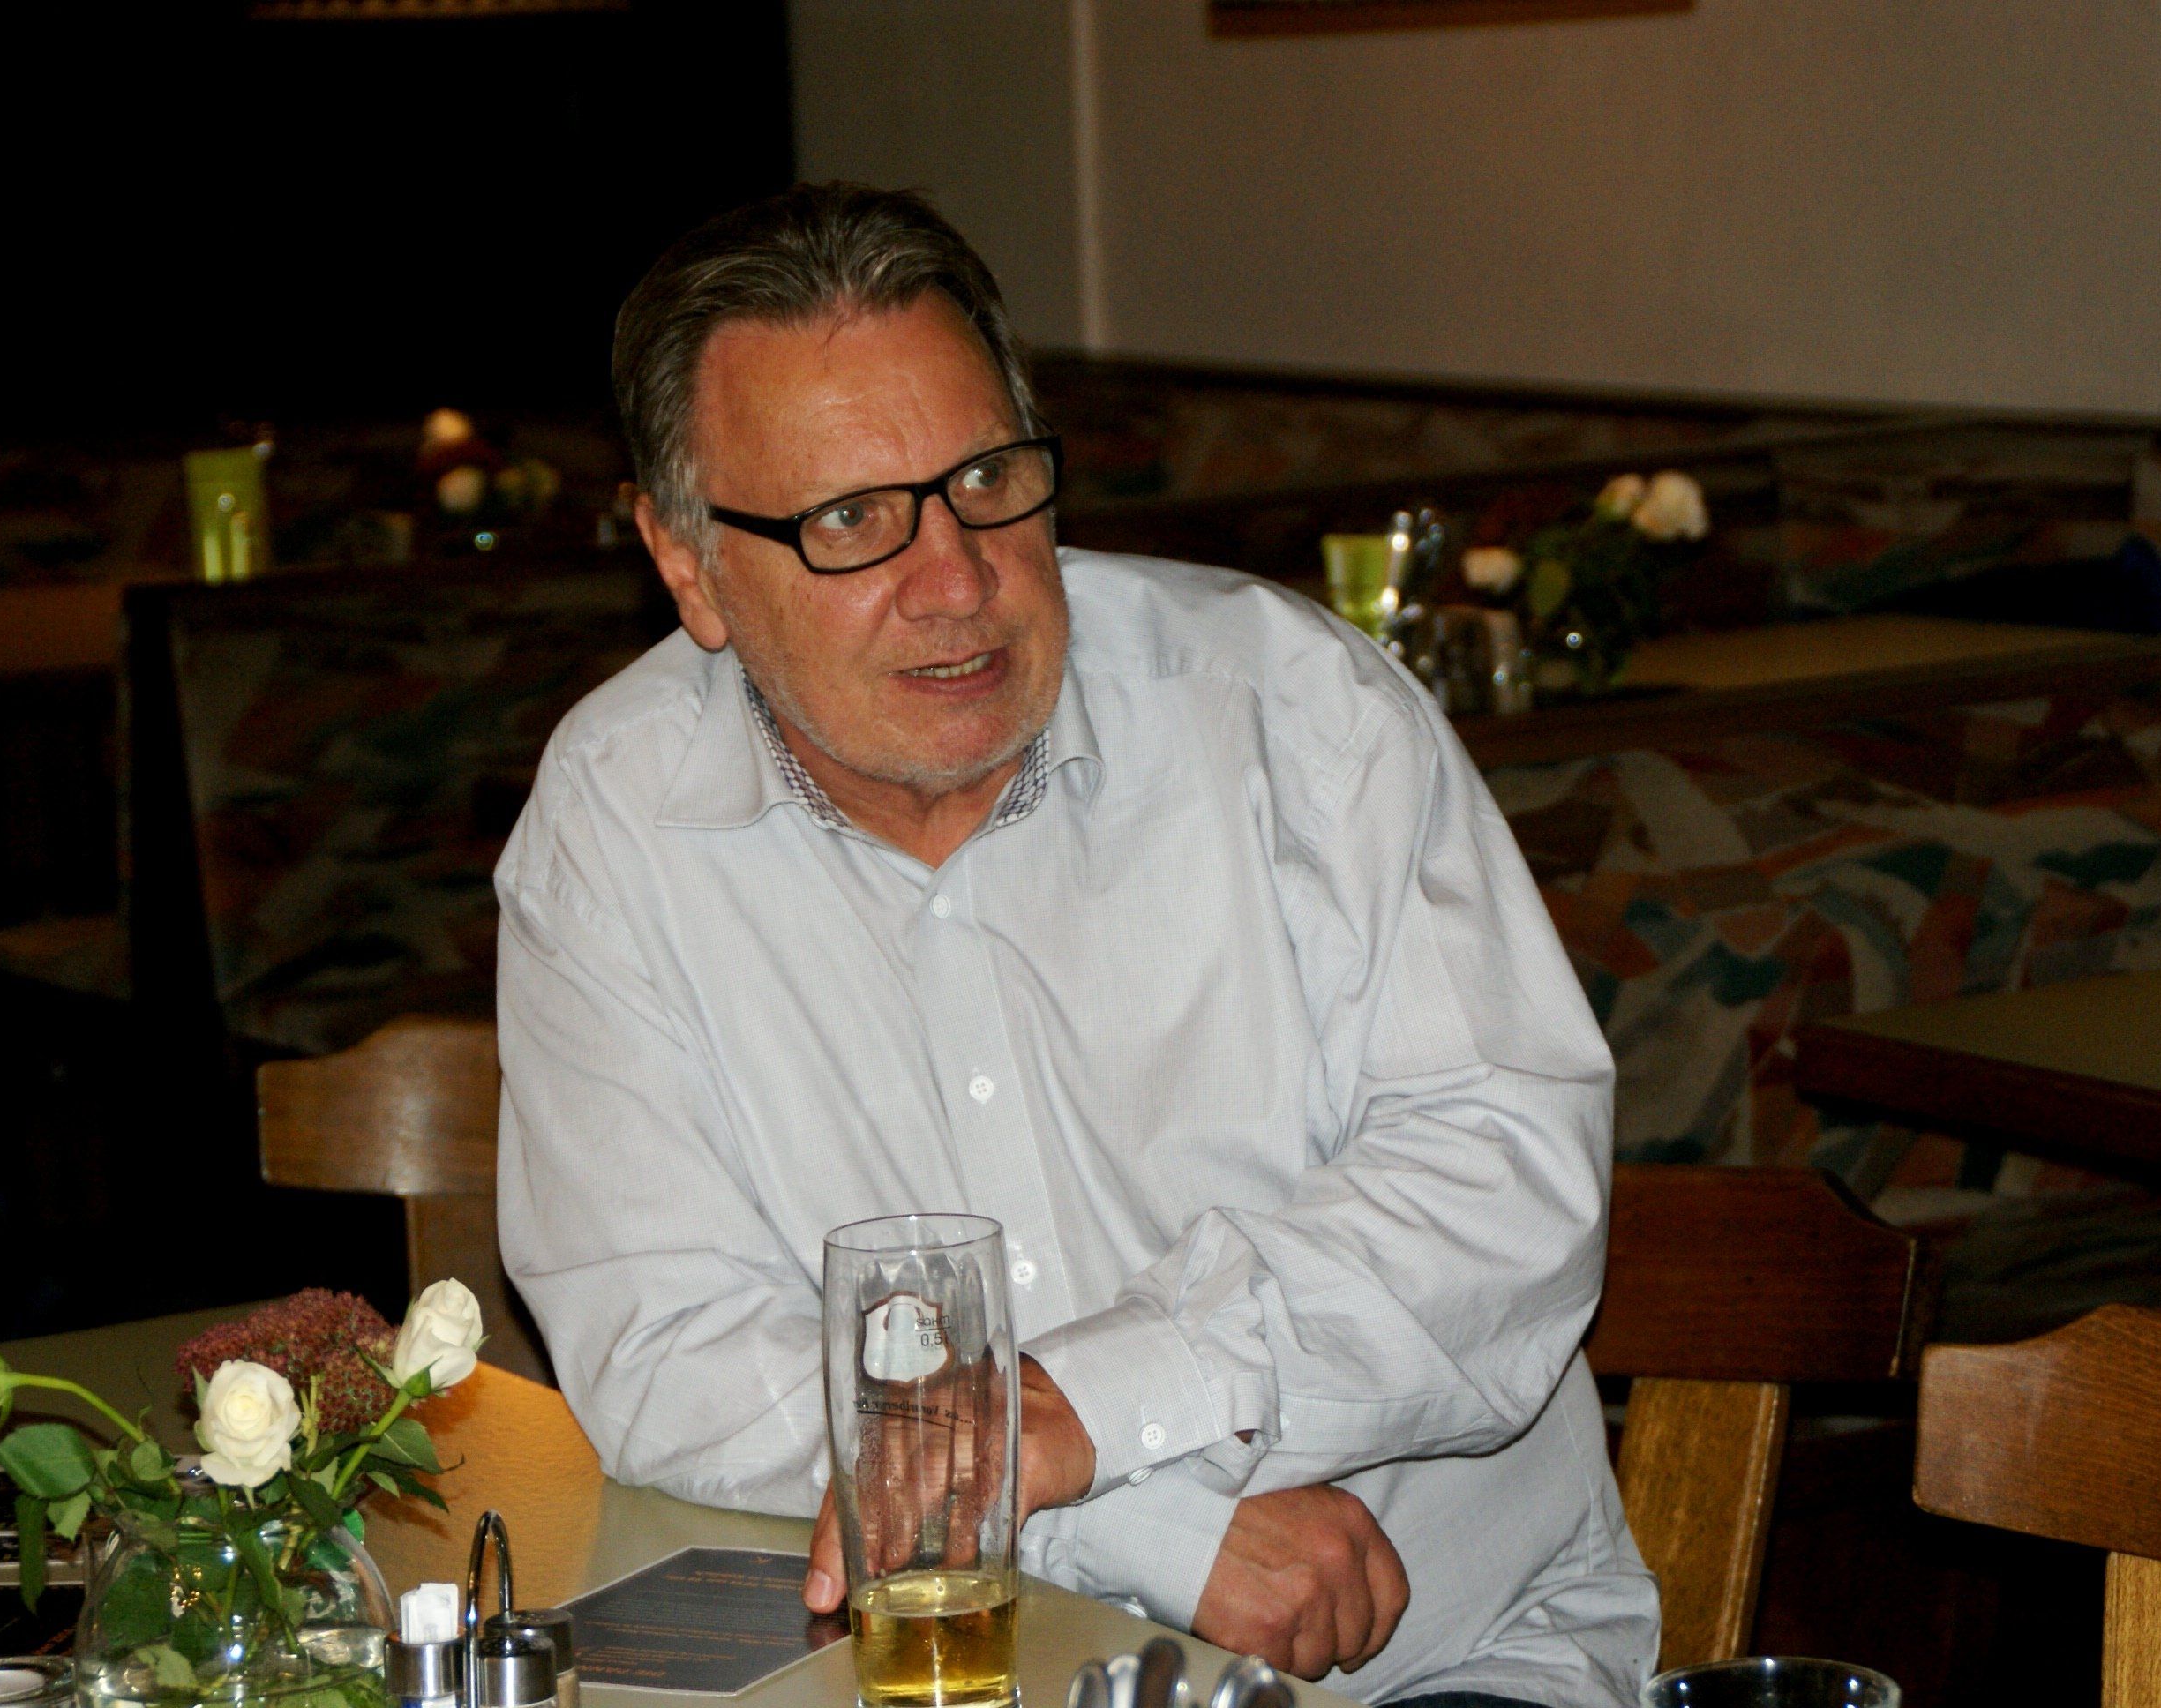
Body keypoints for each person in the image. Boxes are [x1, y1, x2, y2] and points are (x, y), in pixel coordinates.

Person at [495, 184, 1658, 1708]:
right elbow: (672, 1350)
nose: (957, 580)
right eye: (851, 521)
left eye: (988, 479)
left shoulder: (1296, 716)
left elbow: (1503, 1181)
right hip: (940, 1675)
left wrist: (1090, 1408)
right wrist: (1141, 1520)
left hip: (1436, 1659)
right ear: (691, 565)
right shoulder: (615, 818)